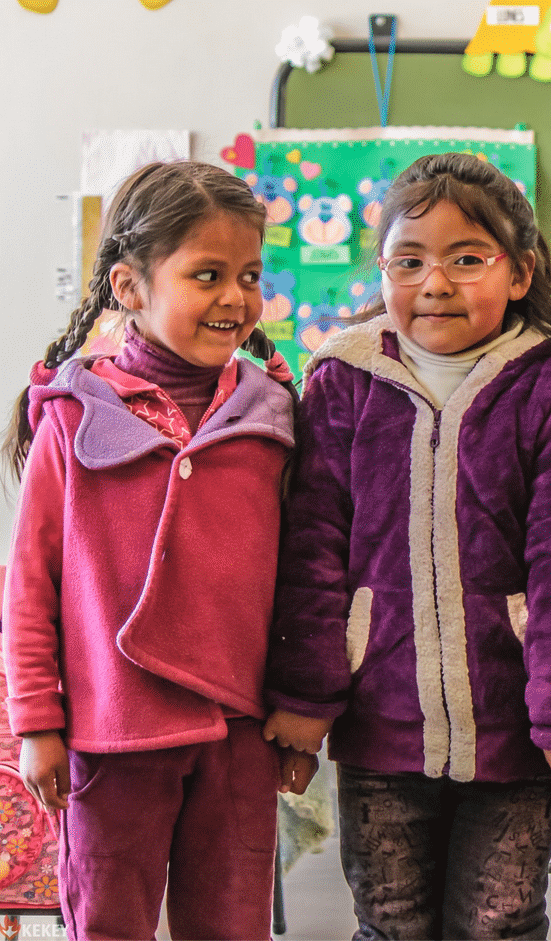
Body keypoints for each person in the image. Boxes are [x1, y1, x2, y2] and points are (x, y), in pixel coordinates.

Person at [263, 152, 551, 941]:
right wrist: (303, 698)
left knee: (499, 924)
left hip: (515, 732)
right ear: (383, 270)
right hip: (379, 724)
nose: (435, 283)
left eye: (467, 259)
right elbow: (313, 554)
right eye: (410, 261)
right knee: (390, 923)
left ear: (520, 272)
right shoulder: (344, 380)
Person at [3, 160, 309, 940]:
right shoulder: (73, 418)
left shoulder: (273, 417)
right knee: (109, 923)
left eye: (249, 276)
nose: (235, 297)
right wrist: (36, 721)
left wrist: (302, 706)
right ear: (129, 287)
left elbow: (304, 582)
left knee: (233, 926)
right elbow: (31, 586)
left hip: (237, 733)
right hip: (112, 734)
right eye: (208, 275)